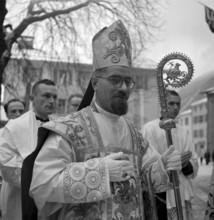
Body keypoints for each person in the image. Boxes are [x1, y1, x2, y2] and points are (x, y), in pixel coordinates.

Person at [28, 20, 182, 220]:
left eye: (128, 82)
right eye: (116, 80)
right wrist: (100, 172)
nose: (124, 88)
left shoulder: (135, 135)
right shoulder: (69, 130)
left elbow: (147, 182)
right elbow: (41, 184)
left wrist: (164, 165)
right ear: (95, 83)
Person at [0, 79, 58, 220]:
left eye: (54, 97)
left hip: (52, 197)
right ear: (32, 98)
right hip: (21, 196)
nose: (51, 100)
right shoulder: (14, 127)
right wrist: (41, 177)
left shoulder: (59, 126)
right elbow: (6, 162)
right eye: (46, 95)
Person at [142, 90, 198, 220]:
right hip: (160, 194)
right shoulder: (149, 129)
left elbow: (193, 160)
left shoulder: (184, 132)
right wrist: (166, 165)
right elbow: (146, 163)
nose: (176, 108)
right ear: (162, 105)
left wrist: (185, 164)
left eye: (178, 104)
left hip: (181, 189)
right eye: (171, 103)